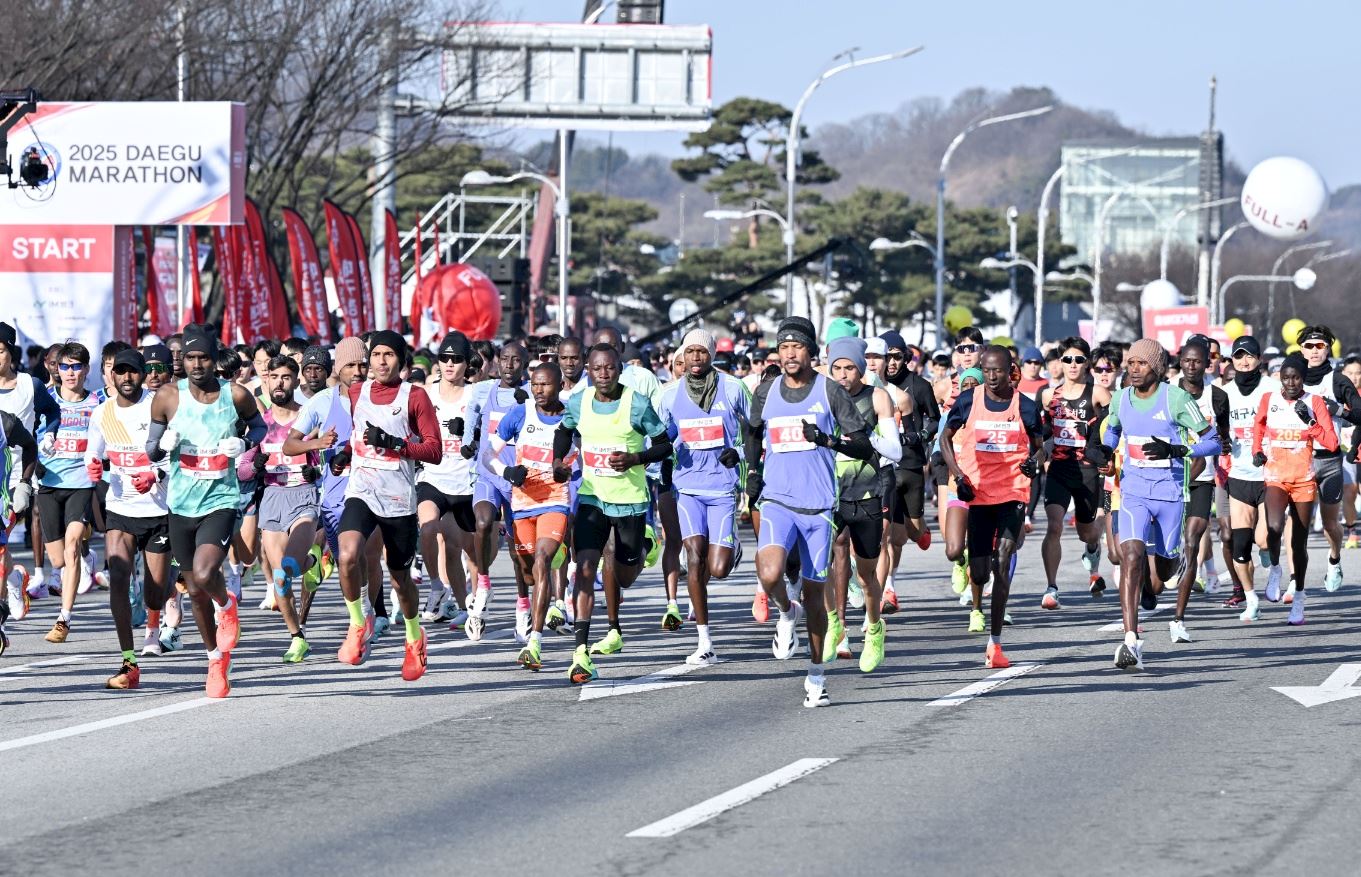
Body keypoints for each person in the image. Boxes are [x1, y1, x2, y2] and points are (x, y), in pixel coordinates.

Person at [744, 317, 876, 707]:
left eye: (796, 347)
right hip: (777, 500)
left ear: (811, 352)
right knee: (769, 572)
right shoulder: (766, 391)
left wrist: (827, 439)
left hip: (819, 507)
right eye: (783, 347)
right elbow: (752, 434)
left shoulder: (829, 391)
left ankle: (816, 676)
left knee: (818, 598)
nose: (788, 353)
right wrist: (752, 473)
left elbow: (864, 445)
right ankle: (787, 611)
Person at [146, 325, 263, 697]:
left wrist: (243, 441)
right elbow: (150, 451)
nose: (197, 364)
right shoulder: (167, 396)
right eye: (191, 358)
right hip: (181, 503)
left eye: (204, 358)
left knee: (205, 570)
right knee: (195, 591)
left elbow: (260, 428)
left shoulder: (236, 394)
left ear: (215, 359)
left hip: (221, 498)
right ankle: (215, 660)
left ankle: (227, 604)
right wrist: (162, 445)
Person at [551, 344, 672, 684]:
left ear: (619, 369)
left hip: (630, 501)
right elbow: (564, 431)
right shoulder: (579, 402)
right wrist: (559, 462)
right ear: (588, 370)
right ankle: (580, 652)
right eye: (597, 368)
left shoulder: (637, 403)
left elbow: (664, 444)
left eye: (609, 368)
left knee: (625, 576)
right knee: (586, 568)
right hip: (592, 497)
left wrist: (636, 459)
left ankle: (646, 546)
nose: (603, 374)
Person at [1094, 339, 1219, 670]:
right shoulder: (1121, 399)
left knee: (1161, 575)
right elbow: (1113, 432)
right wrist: (1105, 453)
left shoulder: (1175, 398)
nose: (1134, 369)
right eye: (1130, 363)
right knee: (1130, 556)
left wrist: (1178, 451)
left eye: (1142, 364)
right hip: (1133, 491)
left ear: (1158, 368)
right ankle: (1131, 640)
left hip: (1170, 494)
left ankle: (1172, 560)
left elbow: (1212, 441)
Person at [329, 331, 442, 680]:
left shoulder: (415, 396)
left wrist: (395, 443)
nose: (380, 361)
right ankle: (357, 623)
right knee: (348, 555)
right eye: (375, 354)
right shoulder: (356, 391)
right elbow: (357, 433)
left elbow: (434, 450)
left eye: (388, 354)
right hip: (362, 489)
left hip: (398, 498)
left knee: (399, 579)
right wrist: (344, 455)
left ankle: (413, 637)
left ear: (401, 360)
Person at [940, 347, 1044, 668]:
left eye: (998, 371)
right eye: (987, 371)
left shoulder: (1025, 407)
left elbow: (1043, 446)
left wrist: (1034, 462)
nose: (992, 377)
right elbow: (945, 438)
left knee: (1003, 559)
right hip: (979, 494)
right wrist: (958, 475)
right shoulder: (968, 402)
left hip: (1013, 494)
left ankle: (995, 643)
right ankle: (975, 589)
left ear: (1010, 370)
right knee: (981, 572)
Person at [657, 329, 751, 666]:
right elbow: (658, 435)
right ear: (682, 356)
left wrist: (738, 451)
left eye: (702, 352)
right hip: (687, 488)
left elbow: (756, 429)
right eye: (690, 352)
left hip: (722, 488)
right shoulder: (669, 395)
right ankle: (704, 641)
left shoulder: (733, 388)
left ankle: (731, 547)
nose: (696, 358)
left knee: (719, 568)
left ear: (711, 355)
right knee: (693, 558)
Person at [283, 337, 388, 635]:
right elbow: (290, 445)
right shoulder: (322, 402)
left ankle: (364, 616)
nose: (357, 371)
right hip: (335, 498)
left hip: (375, 492)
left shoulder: (381, 396)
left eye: (362, 365)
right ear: (338, 368)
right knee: (347, 560)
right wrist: (319, 442)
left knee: (367, 554)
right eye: (350, 365)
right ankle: (359, 612)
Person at [83, 349, 173, 688]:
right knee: (118, 577)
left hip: (158, 510)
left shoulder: (158, 406)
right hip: (120, 507)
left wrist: (155, 475)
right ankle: (129, 662)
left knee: (154, 592)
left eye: (132, 372)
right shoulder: (102, 412)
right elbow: (93, 452)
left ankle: (154, 622)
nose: (126, 378)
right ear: (111, 376)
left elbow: (175, 453)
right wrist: (94, 466)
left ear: (141, 375)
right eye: (119, 372)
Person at [486, 362, 573, 669]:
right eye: (535, 384)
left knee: (541, 563)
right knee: (527, 571)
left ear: (559, 385)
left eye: (545, 385)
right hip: (522, 504)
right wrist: (507, 471)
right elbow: (488, 454)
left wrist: (569, 473)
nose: (538, 390)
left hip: (555, 502)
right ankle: (554, 557)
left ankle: (534, 641)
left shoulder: (571, 417)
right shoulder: (520, 412)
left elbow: (585, 459)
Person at [823, 336, 900, 673]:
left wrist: (861, 437)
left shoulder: (878, 397)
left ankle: (873, 628)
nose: (843, 375)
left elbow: (895, 453)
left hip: (867, 494)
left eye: (849, 368)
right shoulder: (822, 397)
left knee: (867, 575)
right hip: (830, 493)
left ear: (861, 368)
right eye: (837, 368)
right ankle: (833, 624)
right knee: (824, 561)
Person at [1249, 354, 1339, 624]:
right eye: (1285, 377)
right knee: (1274, 527)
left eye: (1296, 378)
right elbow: (1259, 426)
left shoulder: (1314, 402)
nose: (1290, 382)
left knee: (1298, 543)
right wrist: (1256, 451)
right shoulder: (1269, 399)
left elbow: (1332, 443)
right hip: (1276, 474)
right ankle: (1275, 569)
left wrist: (1310, 423)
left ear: (1303, 379)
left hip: (1303, 479)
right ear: (1280, 377)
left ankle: (1298, 597)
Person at [251, 355, 322, 662]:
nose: (279, 383)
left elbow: (328, 458)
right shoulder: (259, 423)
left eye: (285, 377)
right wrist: (252, 465)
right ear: (266, 381)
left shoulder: (308, 416)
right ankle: (297, 638)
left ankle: (312, 558)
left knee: (287, 568)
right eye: (273, 377)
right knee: (281, 579)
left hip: (303, 496)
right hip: (272, 498)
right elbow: (241, 468)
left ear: (296, 381)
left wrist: (316, 471)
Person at [36, 342, 102, 644]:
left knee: (72, 545)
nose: (71, 372)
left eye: (77, 366)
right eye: (65, 366)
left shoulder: (97, 402)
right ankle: (85, 555)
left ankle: (64, 618)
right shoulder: (44, 399)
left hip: (81, 483)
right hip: (49, 483)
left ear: (86, 369)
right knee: (58, 560)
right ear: (57, 369)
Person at [462, 342, 528, 640]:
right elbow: (472, 417)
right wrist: (467, 442)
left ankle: (523, 605)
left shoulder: (532, 391)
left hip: (519, 478)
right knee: (483, 521)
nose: (509, 365)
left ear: (525, 364)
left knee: (518, 550)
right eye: (505, 359)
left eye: (516, 360)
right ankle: (483, 585)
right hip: (488, 472)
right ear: (497, 362)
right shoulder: (483, 390)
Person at [1037, 337, 1110, 607]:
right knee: (1054, 526)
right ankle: (1051, 587)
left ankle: (1093, 545)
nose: (1072, 364)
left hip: (1088, 472)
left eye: (1079, 359)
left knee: (1086, 533)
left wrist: (1105, 454)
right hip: (1059, 468)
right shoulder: (1048, 395)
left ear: (1087, 363)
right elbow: (1041, 433)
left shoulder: (1098, 394)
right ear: (1060, 362)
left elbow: (1112, 429)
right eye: (1067, 359)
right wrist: (1041, 454)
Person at [1169, 339, 1230, 638]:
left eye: (1198, 361)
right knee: (1161, 558)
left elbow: (1222, 438)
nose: (1192, 366)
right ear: (1180, 361)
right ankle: (1157, 579)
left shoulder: (1217, 396)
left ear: (1208, 363)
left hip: (1202, 479)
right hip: (1168, 478)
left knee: (1192, 542)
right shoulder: (1166, 391)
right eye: (1187, 360)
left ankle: (1179, 619)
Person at [415, 331, 476, 628]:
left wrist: (470, 432)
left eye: (457, 359)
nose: (450, 364)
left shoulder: (475, 395)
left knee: (457, 549)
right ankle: (436, 586)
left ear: (467, 363)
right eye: (445, 359)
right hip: (432, 476)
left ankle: (468, 607)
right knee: (427, 528)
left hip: (464, 481)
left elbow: (489, 437)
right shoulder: (425, 392)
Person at [1297, 326, 1361, 592]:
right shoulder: (1291, 377)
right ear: (1301, 348)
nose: (1314, 351)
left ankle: (1334, 559)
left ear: (1328, 348)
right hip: (1296, 458)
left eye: (1319, 346)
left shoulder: (1337, 380)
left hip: (1329, 458)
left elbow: (1359, 414)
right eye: (1309, 346)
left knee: (1329, 523)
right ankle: (1293, 580)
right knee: (1295, 522)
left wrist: (1339, 411)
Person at [875, 331, 936, 614]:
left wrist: (920, 434)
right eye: (886, 357)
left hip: (911, 465)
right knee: (887, 534)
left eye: (897, 357)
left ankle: (921, 531)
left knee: (908, 534)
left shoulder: (919, 387)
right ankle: (889, 588)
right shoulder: (872, 388)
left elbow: (935, 419)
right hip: (885, 469)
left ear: (906, 359)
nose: (891, 363)